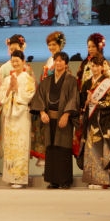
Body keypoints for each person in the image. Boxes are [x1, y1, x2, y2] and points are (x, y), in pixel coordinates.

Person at [30, 51, 79, 189]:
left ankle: (65, 180)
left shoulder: (71, 80)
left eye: (61, 60)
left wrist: (66, 115)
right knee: (51, 149)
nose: (58, 63)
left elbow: (73, 98)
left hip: (63, 119)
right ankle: (53, 181)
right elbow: (39, 97)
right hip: (49, 119)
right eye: (56, 60)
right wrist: (42, 112)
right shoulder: (47, 81)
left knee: (63, 148)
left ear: (66, 64)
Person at [0, 49, 36, 189]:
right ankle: (10, 176)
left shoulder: (27, 78)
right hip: (9, 115)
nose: (15, 63)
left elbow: (29, 95)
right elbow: (1, 97)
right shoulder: (7, 79)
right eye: (13, 61)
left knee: (21, 144)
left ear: (23, 62)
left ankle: (19, 178)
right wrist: (9, 89)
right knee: (10, 144)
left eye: (17, 61)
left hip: (21, 115)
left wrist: (17, 88)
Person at [78, 54, 110, 189]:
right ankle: (91, 178)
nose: (94, 69)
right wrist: (86, 102)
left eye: (97, 66)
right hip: (90, 118)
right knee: (90, 148)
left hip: (101, 119)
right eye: (92, 66)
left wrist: (96, 103)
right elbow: (82, 103)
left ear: (102, 67)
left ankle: (101, 179)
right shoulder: (87, 83)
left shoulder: (107, 83)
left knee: (101, 148)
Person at [34, 31, 66, 166]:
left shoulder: (62, 60)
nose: (51, 47)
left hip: (57, 101)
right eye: (49, 45)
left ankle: (56, 166)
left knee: (57, 136)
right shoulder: (49, 60)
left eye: (54, 44)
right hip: (46, 100)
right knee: (46, 133)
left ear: (60, 45)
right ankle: (48, 166)